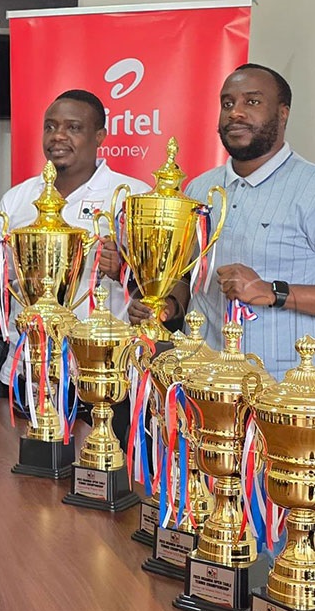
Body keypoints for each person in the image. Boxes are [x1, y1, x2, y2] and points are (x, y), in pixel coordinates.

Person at [130, 64, 315, 380]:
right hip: (200, 378)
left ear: (283, 113)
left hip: (282, 387)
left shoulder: (309, 186)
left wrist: (272, 292)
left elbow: (269, 292)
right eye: (227, 103)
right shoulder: (198, 189)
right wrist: (168, 305)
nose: (235, 113)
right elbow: (188, 275)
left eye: (252, 102)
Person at [0, 90, 151, 398]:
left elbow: (158, 291)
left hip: (101, 376)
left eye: (73, 128)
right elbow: (3, 285)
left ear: (100, 136)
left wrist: (123, 270)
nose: (58, 136)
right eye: (50, 127)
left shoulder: (131, 196)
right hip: (25, 370)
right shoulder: (17, 199)